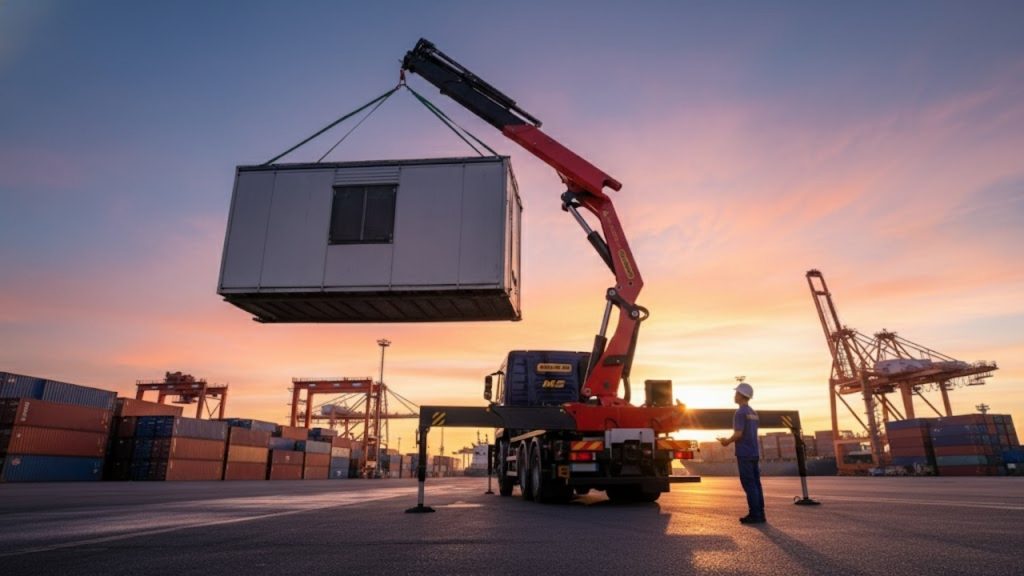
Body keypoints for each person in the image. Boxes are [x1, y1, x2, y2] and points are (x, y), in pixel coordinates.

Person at [718, 382, 765, 524]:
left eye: (736, 393)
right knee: (756, 484)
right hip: (754, 452)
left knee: (749, 484)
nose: (734, 395)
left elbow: (738, 434)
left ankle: (755, 514)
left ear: (741, 395)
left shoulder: (740, 413)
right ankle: (760, 513)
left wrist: (726, 441)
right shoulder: (753, 413)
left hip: (744, 453)